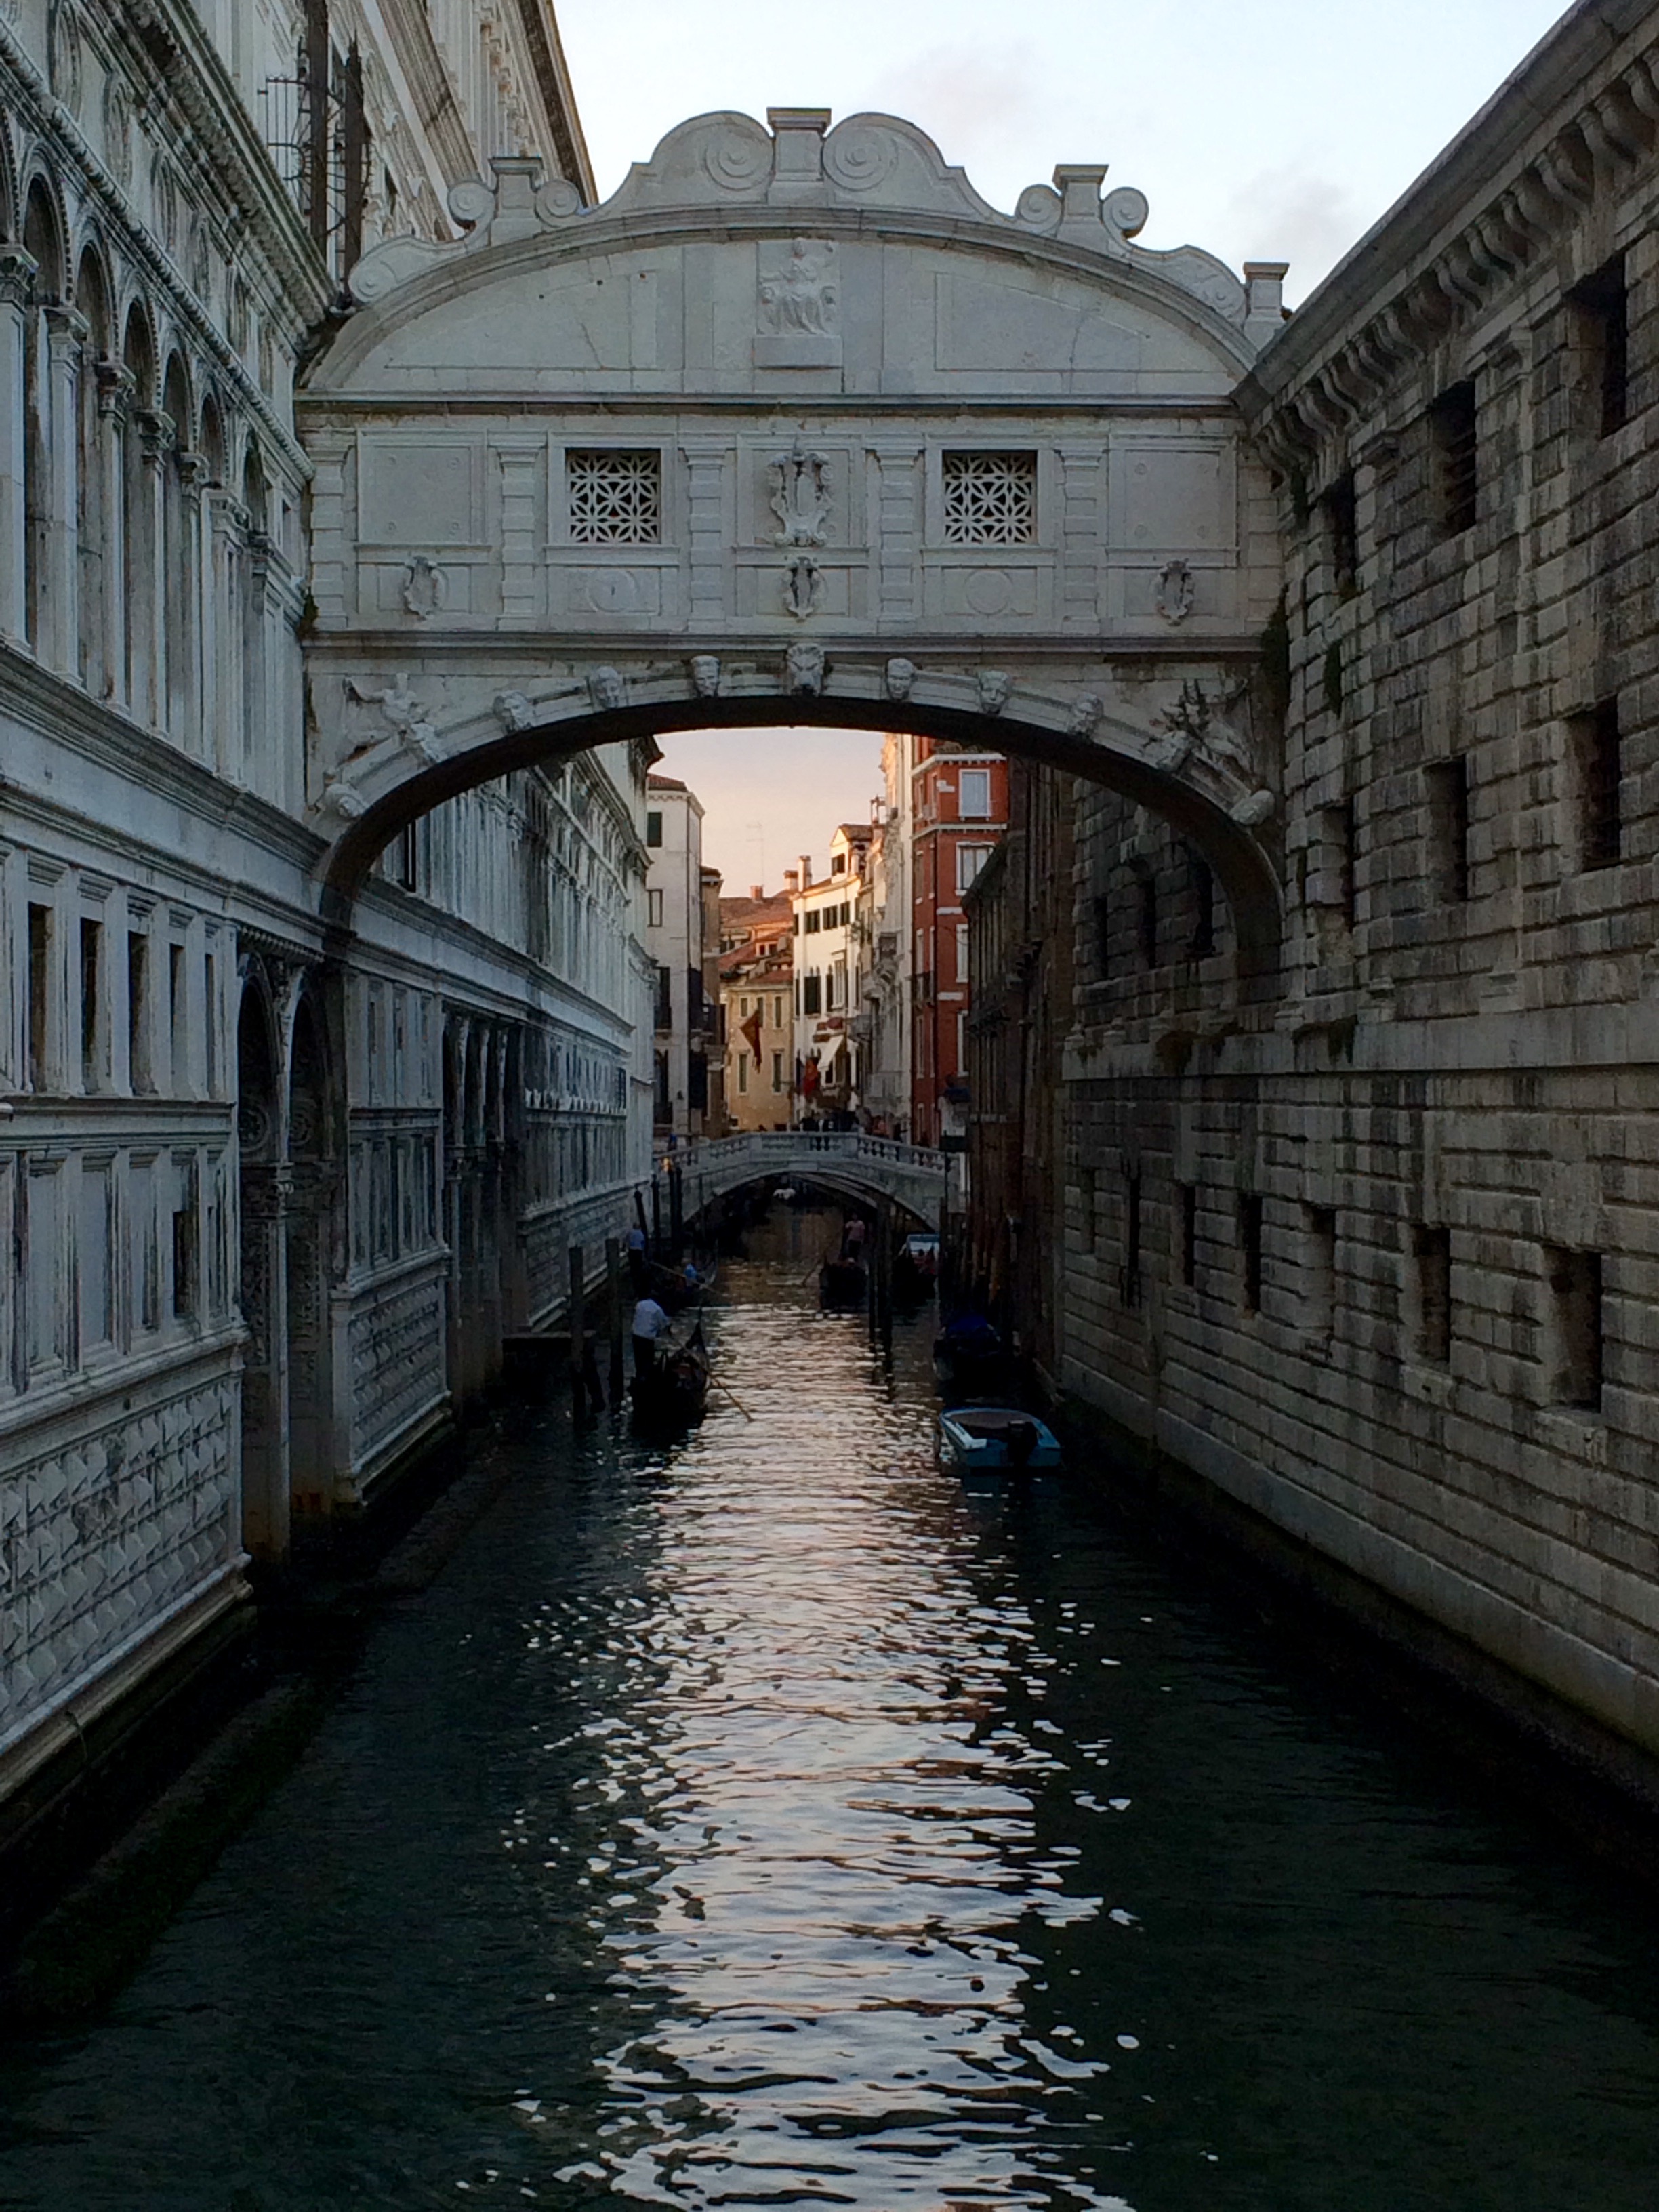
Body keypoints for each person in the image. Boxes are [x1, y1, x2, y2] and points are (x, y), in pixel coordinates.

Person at [632, 1293, 670, 1377]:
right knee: (647, 1361)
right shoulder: (657, 1309)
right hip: (647, 1338)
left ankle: (639, 1376)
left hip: (636, 1336)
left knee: (638, 1360)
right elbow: (664, 1324)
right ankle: (646, 1377)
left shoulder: (639, 1305)